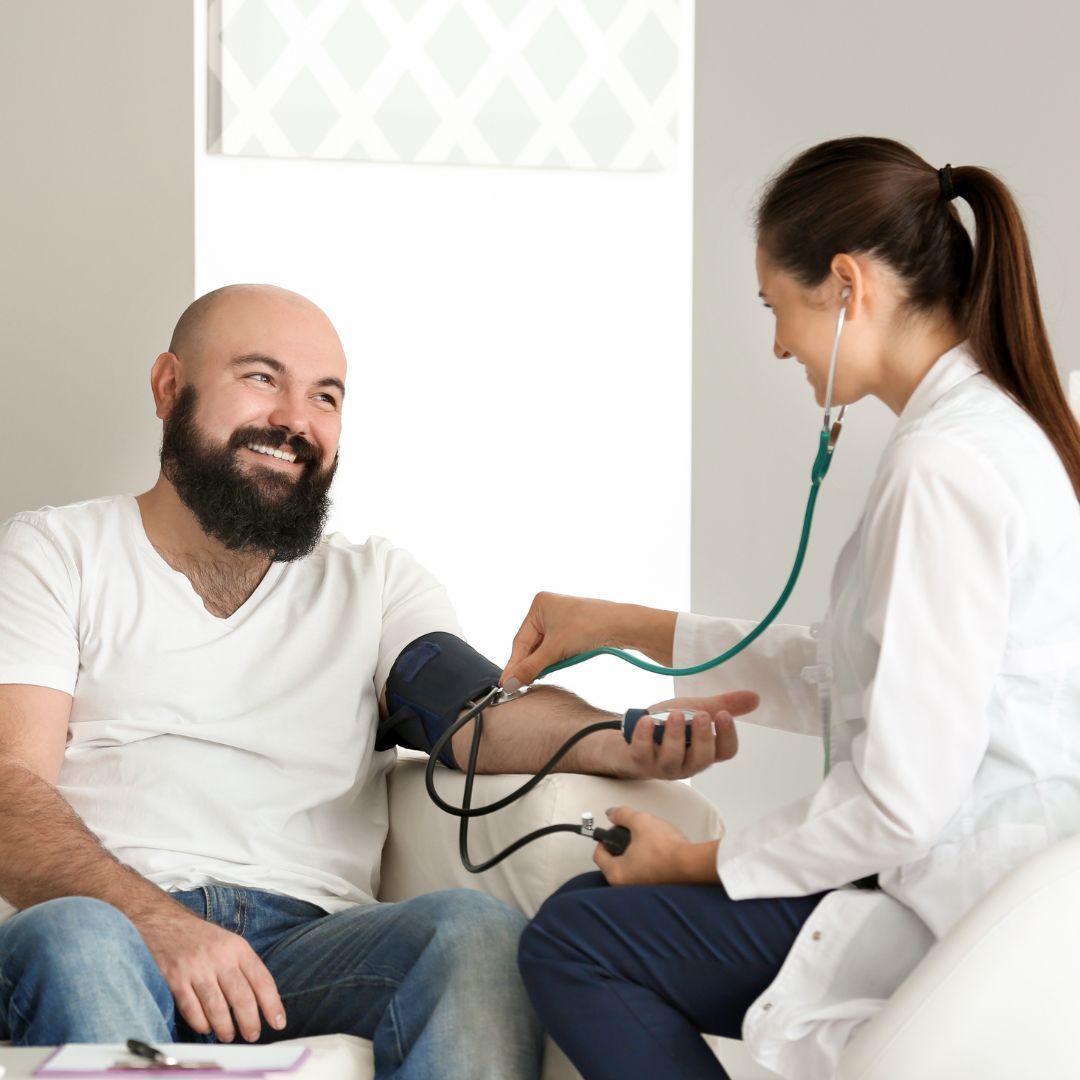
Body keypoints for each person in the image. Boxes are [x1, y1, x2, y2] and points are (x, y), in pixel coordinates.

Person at [0, 284, 758, 1077]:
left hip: (308, 946)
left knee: (474, 933)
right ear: (168, 386)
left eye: (325, 396)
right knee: (78, 939)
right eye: (262, 378)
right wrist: (155, 921)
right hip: (111, 927)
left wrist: (623, 741)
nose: (296, 420)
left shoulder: (376, 582)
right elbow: (10, 787)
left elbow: (477, 720)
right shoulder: (57, 553)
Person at [509, 137, 1080, 1079]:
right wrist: (617, 624)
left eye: (778, 307)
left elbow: (901, 803)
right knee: (586, 918)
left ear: (847, 285)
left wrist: (694, 859)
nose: (778, 343)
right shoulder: (1000, 432)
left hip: (959, 910)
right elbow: (850, 669)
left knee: (576, 940)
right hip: (996, 896)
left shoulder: (943, 467)